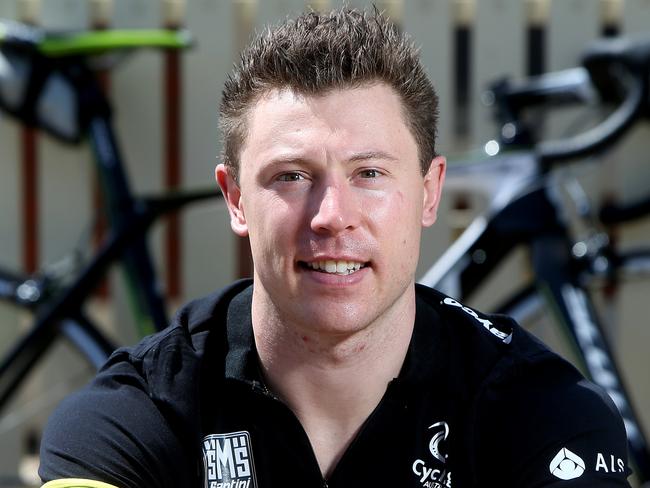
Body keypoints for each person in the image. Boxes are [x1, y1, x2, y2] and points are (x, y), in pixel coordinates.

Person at [39, 6, 632, 488]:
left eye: (370, 173)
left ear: (430, 193)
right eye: (291, 176)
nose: (331, 217)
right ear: (236, 199)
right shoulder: (135, 417)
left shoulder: (542, 414)